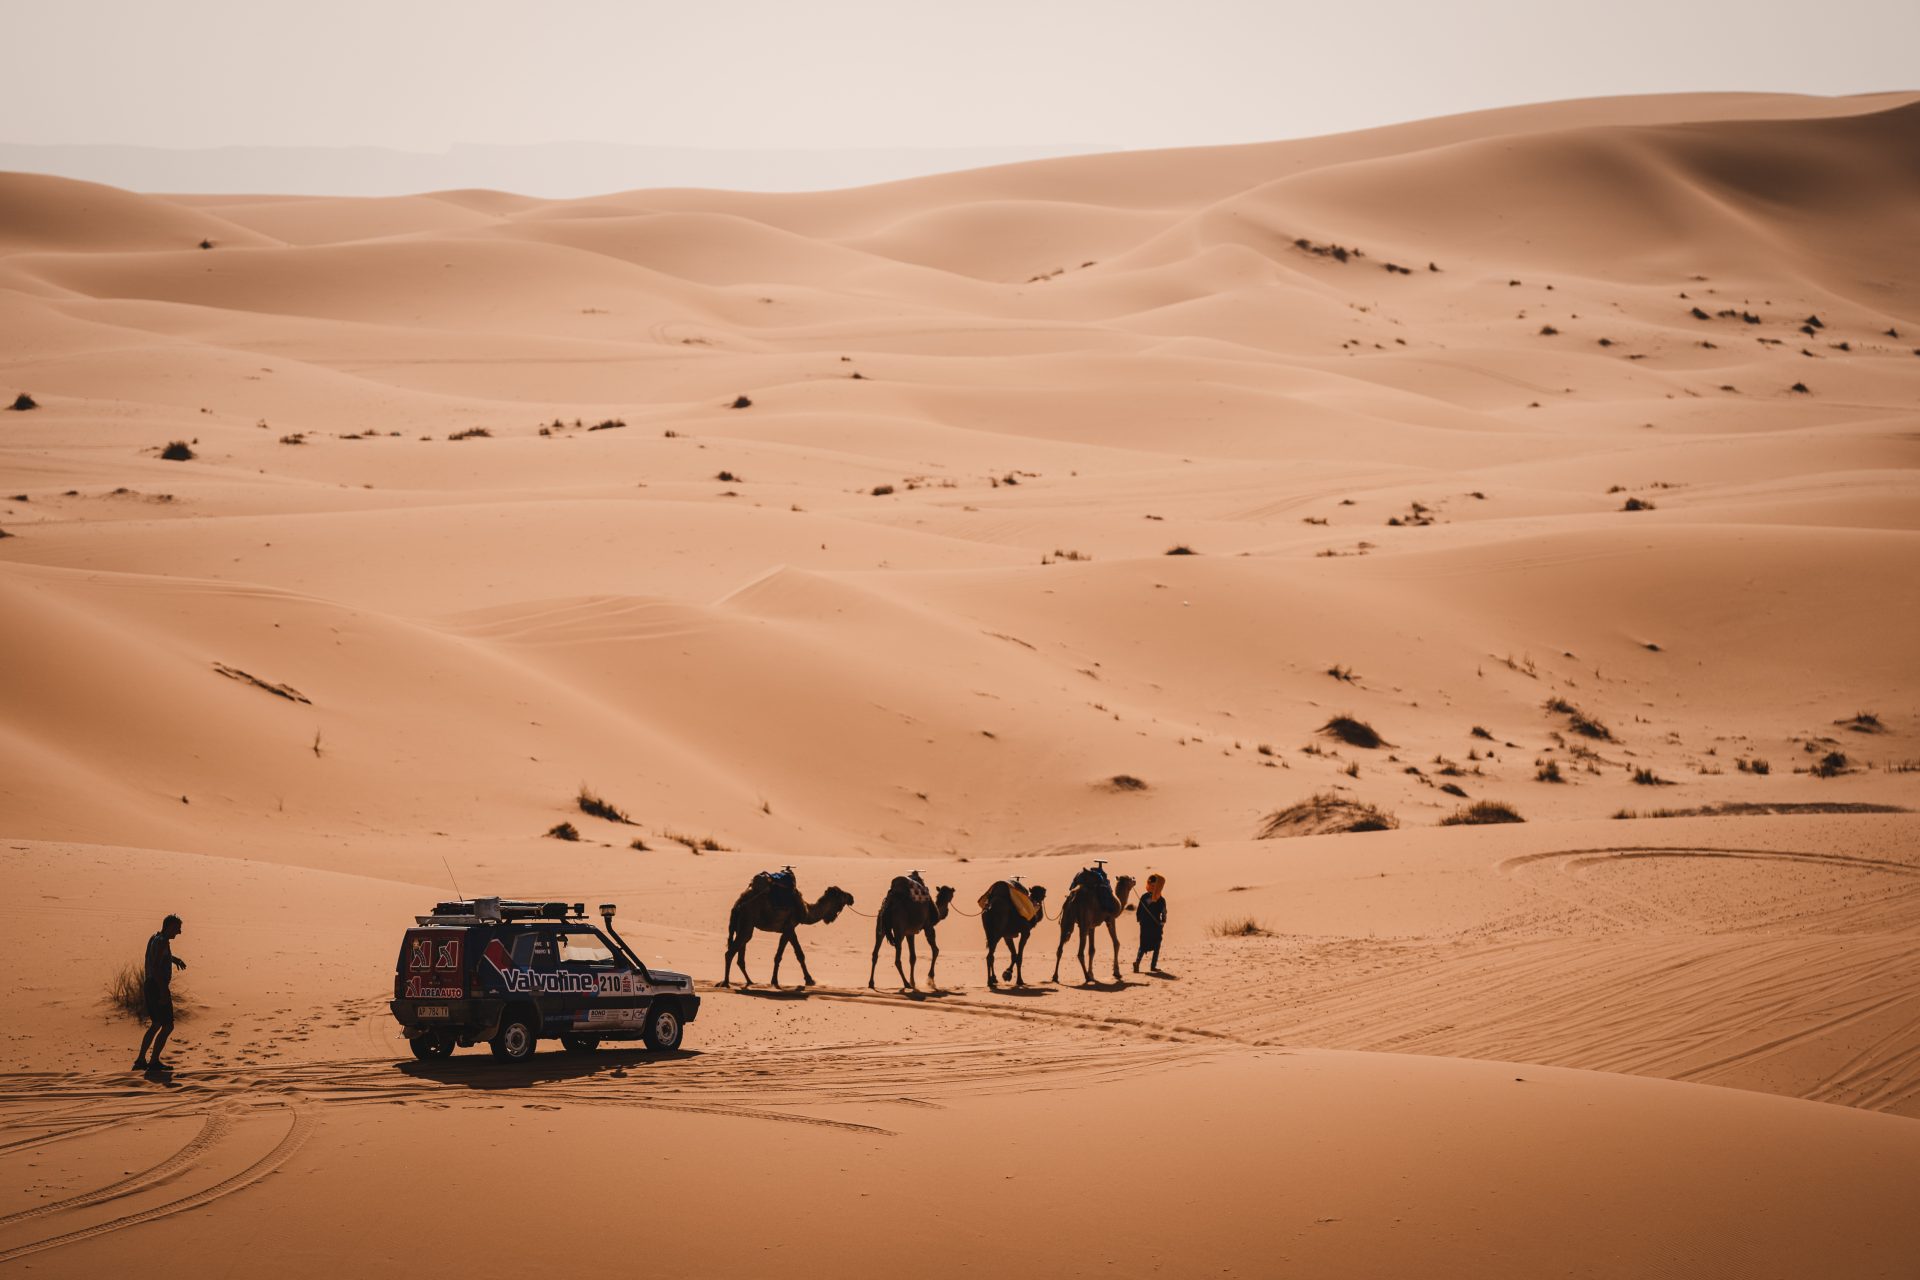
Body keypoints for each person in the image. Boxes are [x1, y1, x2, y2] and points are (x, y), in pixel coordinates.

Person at [135, 914, 186, 1073]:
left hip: (150, 986)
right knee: (168, 1025)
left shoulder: (155, 938)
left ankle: (141, 1060)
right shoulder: (162, 942)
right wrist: (163, 992)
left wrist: (174, 959)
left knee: (157, 1024)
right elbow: (156, 967)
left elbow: (158, 958)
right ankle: (154, 1061)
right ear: (170, 926)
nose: (179, 932)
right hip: (157, 987)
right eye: (177, 928)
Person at [1133, 874, 1167, 973]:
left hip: (1146, 925)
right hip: (1154, 926)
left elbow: (1139, 911)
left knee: (1144, 944)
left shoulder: (1145, 897)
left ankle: (1138, 963)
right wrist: (1163, 921)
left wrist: (1140, 920)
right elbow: (1164, 912)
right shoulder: (1160, 899)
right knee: (1156, 945)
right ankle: (1152, 966)